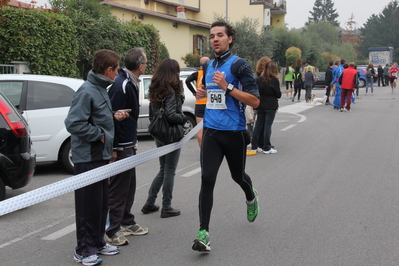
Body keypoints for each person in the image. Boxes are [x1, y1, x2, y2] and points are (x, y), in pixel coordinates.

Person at [191, 20, 260, 252]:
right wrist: (204, 92)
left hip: (234, 133)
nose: (215, 39)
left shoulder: (239, 65)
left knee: (237, 176)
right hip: (211, 131)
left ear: (230, 38)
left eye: (220, 35)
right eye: (212, 36)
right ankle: (204, 233)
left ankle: (250, 195)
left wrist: (228, 88)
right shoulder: (208, 65)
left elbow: (255, 100)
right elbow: (212, 96)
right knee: (207, 179)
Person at [65, 49, 130, 266]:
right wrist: (100, 135)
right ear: (108, 69)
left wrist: (114, 116)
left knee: (101, 204)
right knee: (87, 206)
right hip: (88, 158)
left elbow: (96, 116)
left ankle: (98, 242)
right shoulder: (87, 90)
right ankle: (83, 250)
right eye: (116, 69)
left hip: (100, 156)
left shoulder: (100, 89)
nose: (118, 73)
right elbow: (73, 123)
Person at [105, 48, 149, 246]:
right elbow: (113, 118)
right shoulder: (121, 84)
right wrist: (114, 148)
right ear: (141, 66)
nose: (146, 66)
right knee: (118, 187)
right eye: (146, 63)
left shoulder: (130, 82)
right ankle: (111, 230)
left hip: (128, 143)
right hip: (121, 146)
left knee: (129, 184)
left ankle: (126, 221)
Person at [141, 58, 187, 218]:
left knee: (163, 169)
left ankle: (149, 203)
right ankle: (166, 207)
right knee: (169, 170)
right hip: (171, 134)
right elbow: (171, 115)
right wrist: (184, 119)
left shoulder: (155, 89)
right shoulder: (171, 91)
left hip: (158, 133)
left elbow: (154, 114)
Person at [250, 56, 281, 154]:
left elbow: (256, 92)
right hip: (271, 105)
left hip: (261, 104)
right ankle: (266, 147)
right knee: (268, 126)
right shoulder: (274, 80)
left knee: (258, 125)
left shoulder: (259, 79)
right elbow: (278, 94)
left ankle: (254, 146)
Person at [185, 56, 210, 146]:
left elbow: (187, 81)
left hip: (199, 103)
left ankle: (202, 150)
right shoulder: (211, 73)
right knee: (210, 128)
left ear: (200, 64)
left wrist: (194, 93)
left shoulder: (197, 74)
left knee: (200, 130)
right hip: (210, 104)